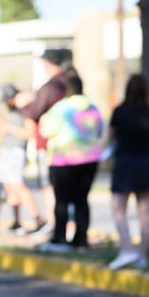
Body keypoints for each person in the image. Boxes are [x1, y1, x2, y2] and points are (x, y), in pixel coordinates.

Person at [38, 70, 104, 252]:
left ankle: (60, 238)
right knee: (82, 200)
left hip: (64, 160)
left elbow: (46, 129)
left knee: (62, 201)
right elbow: (100, 131)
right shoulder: (92, 107)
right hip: (89, 159)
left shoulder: (61, 108)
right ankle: (81, 240)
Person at [9, 48, 73, 229]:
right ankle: (67, 229)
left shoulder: (53, 86)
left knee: (49, 188)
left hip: (49, 144)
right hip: (69, 144)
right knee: (65, 189)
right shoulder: (69, 82)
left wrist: (24, 104)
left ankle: (56, 227)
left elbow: (35, 111)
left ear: (49, 63)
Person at [107, 74, 149, 270]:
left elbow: (110, 137)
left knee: (117, 208)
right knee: (145, 212)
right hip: (146, 162)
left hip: (125, 163)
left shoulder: (120, 112)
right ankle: (142, 255)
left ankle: (127, 249)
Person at [0, 83, 47, 235]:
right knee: (9, 186)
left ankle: (39, 219)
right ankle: (17, 221)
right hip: (7, 150)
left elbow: (29, 133)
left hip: (16, 151)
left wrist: (8, 128)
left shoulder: (25, 108)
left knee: (17, 185)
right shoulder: (13, 111)